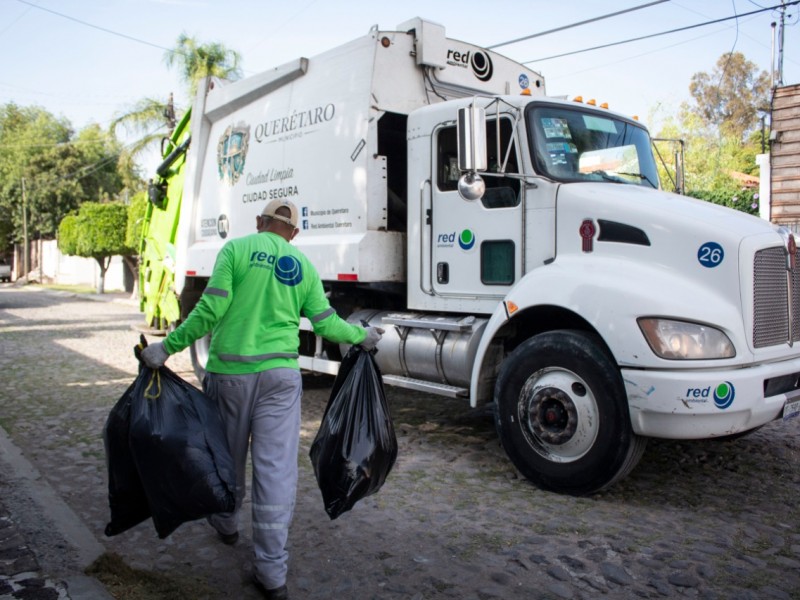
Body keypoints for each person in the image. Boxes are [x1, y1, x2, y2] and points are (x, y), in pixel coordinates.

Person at [140, 199, 383, 600]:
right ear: (294, 233)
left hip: (231, 377)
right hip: (281, 381)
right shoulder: (302, 265)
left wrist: (167, 347)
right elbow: (325, 323)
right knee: (275, 472)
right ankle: (271, 572)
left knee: (227, 458)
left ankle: (226, 522)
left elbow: (209, 309)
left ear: (259, 223)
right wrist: (363, 336)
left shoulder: (234, 250)